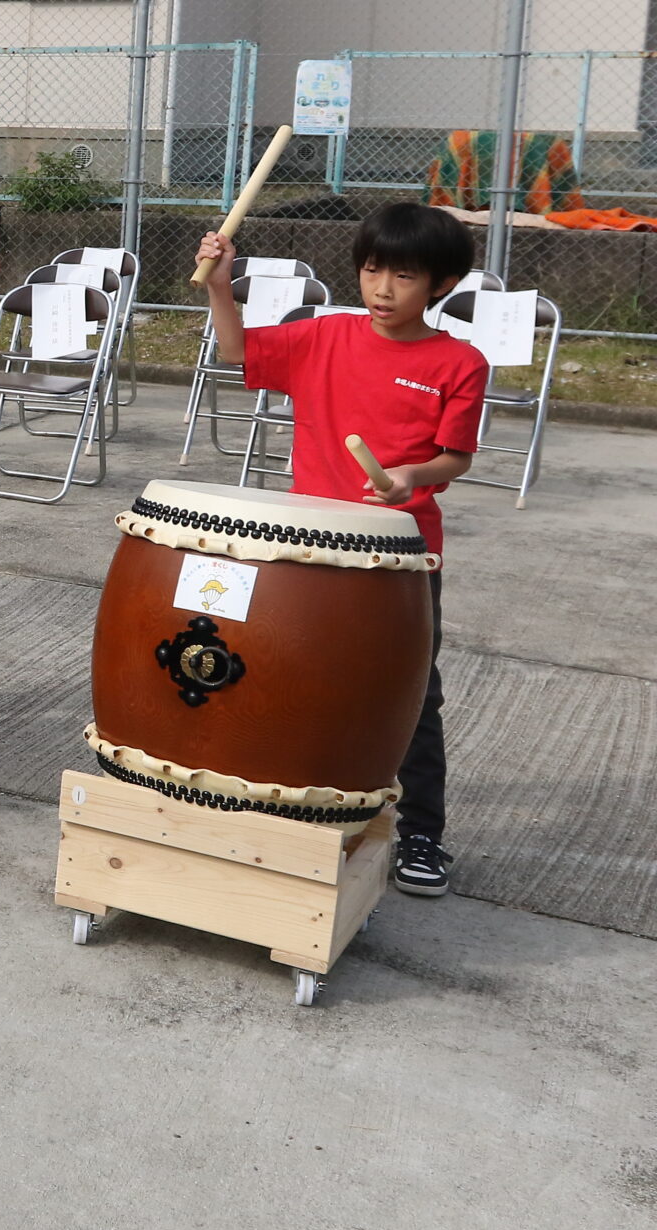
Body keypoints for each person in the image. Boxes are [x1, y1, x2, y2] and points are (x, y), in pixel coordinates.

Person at [196, 201, 485, 897]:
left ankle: (420, 832)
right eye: (372, 269)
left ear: (440, 284)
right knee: (288, 677)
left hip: (400, 555)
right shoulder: (324, 337)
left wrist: (413, 475)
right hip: (310, 547)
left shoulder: (460, 361)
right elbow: (238, 351)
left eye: (404, 275)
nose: (382, 288)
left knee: (410, 693)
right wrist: (217, 284)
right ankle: (291, 801)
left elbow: (455, 457)